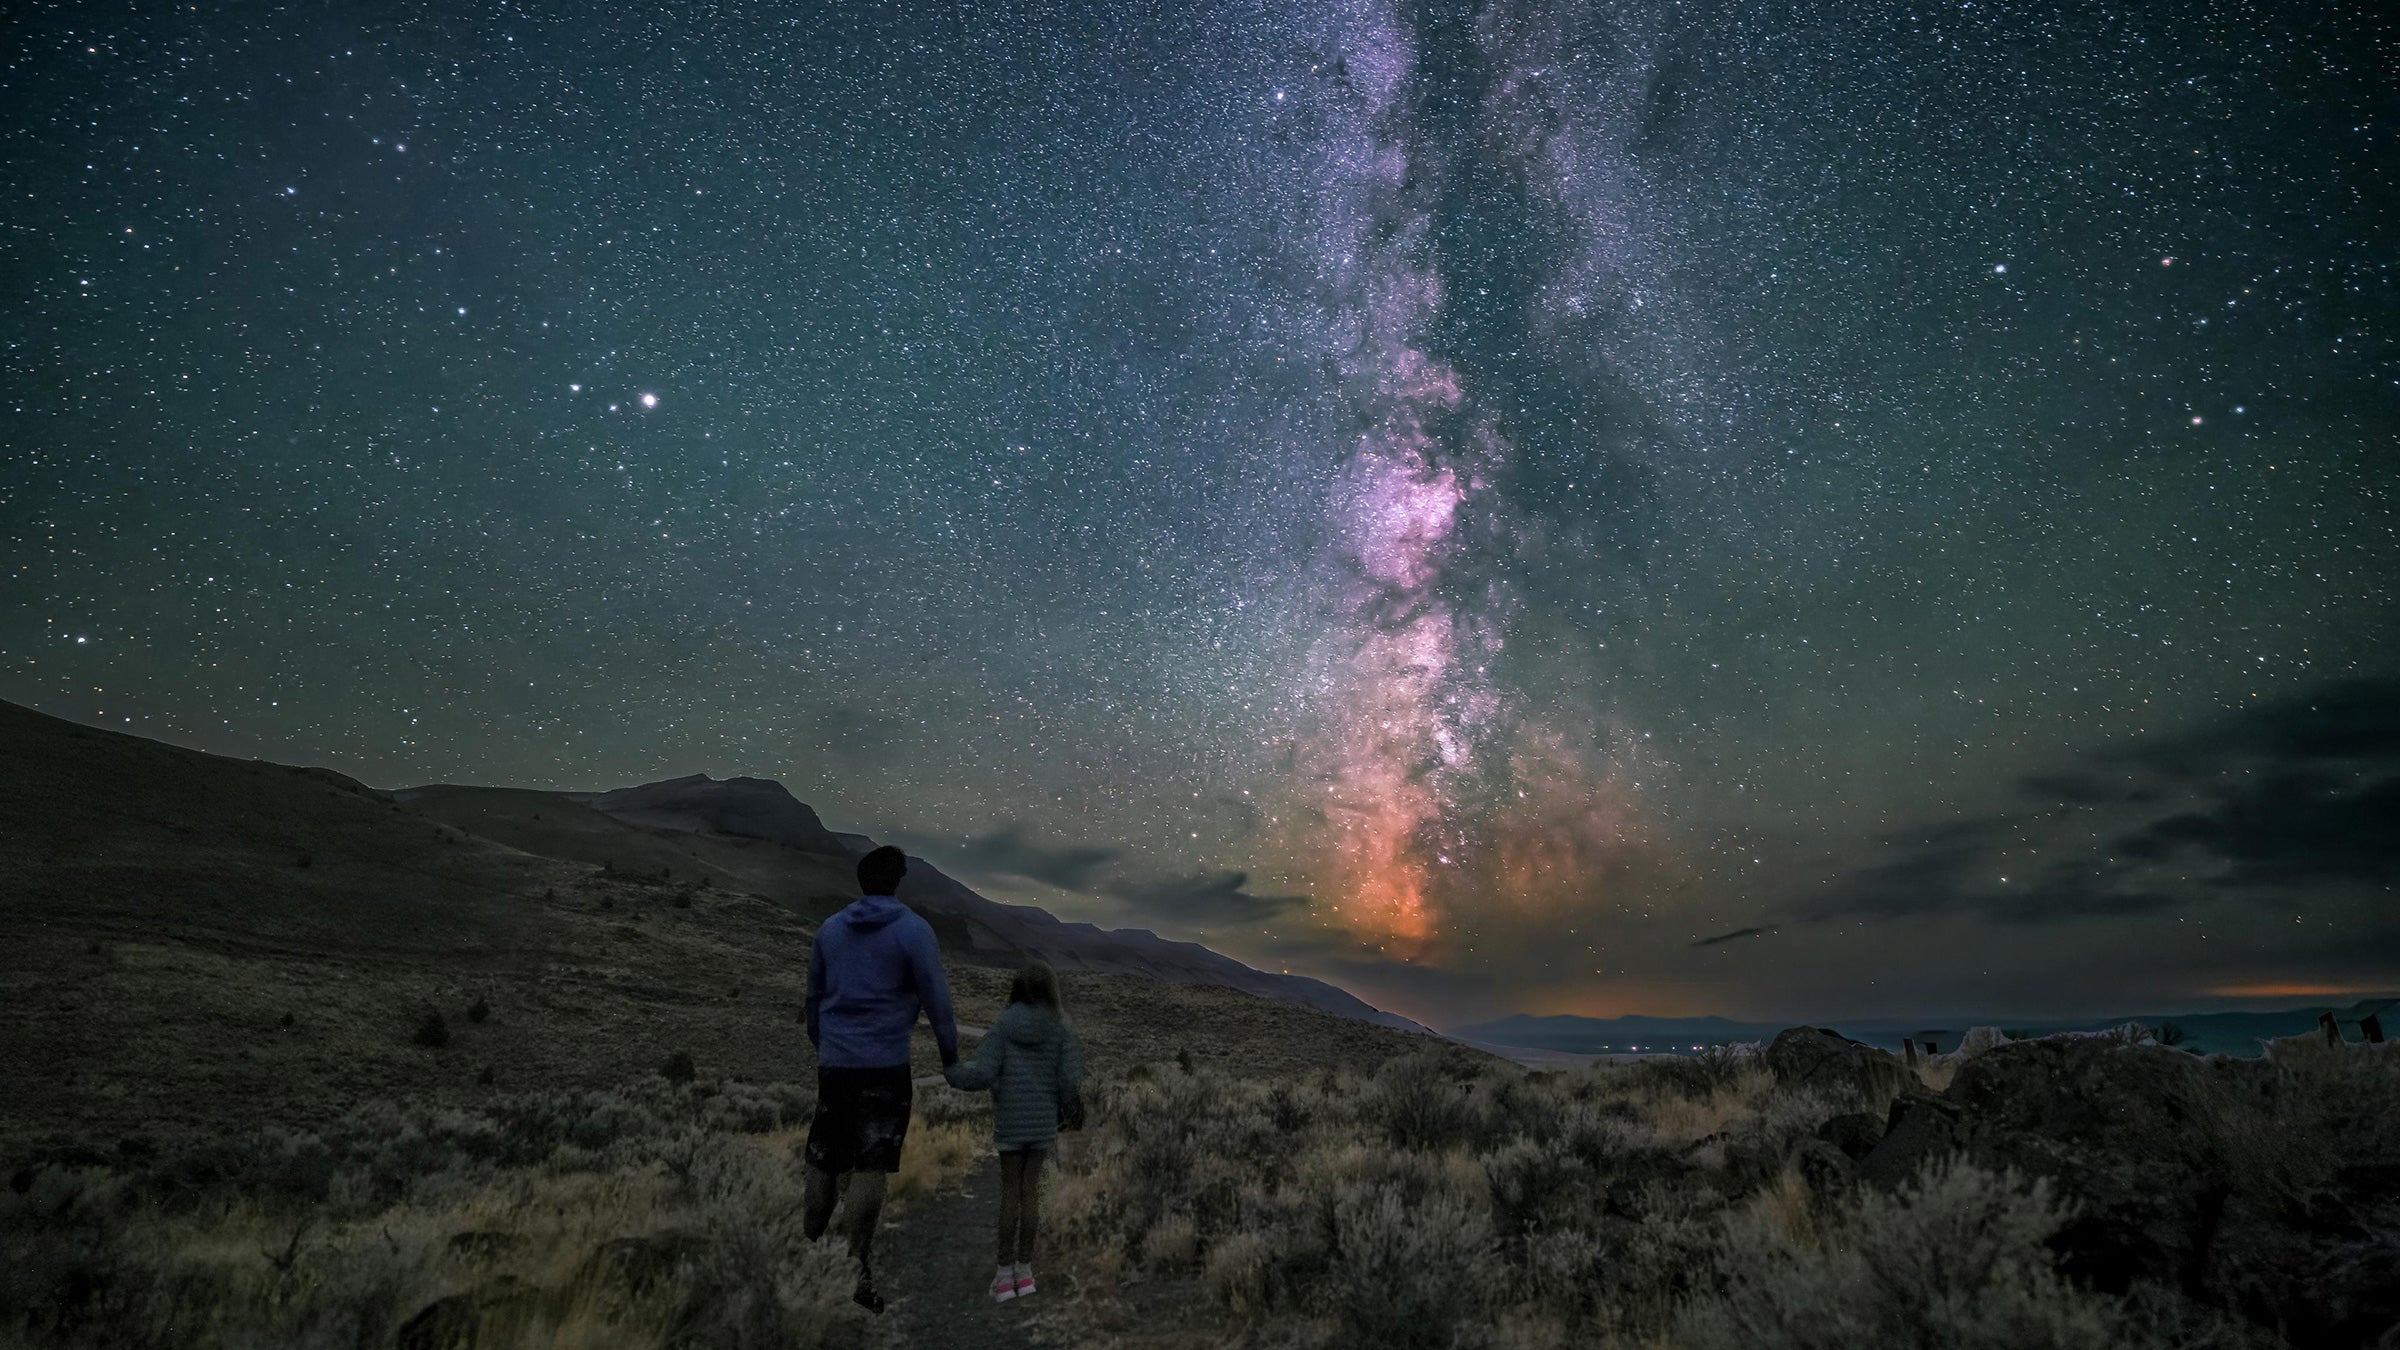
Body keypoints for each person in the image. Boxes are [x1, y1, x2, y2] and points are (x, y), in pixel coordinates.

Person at [803, 844, 958, 1313]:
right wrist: (950, 1059)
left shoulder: (829, 931)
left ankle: (807, 1256)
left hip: (835, 1064)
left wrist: (826, 1046)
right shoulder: (913, 931)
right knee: (870, 1164)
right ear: (898, 881)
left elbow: (812, 1000)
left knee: (824, 1156)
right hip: (885, 1065)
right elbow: (938, 1003)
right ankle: (854, 1273)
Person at [943, 959, 1084, 1304]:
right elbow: (1068, 1081)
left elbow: (983, 1073)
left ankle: (1004, 1278)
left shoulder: (1003, 1026)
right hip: (1041, 1126)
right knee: (1031, 1195)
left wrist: (952, 1071)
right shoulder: (1061, 1028)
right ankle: (1026, 1272)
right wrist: (1068, 1109)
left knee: (1009, 1195)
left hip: (1010, 1123)